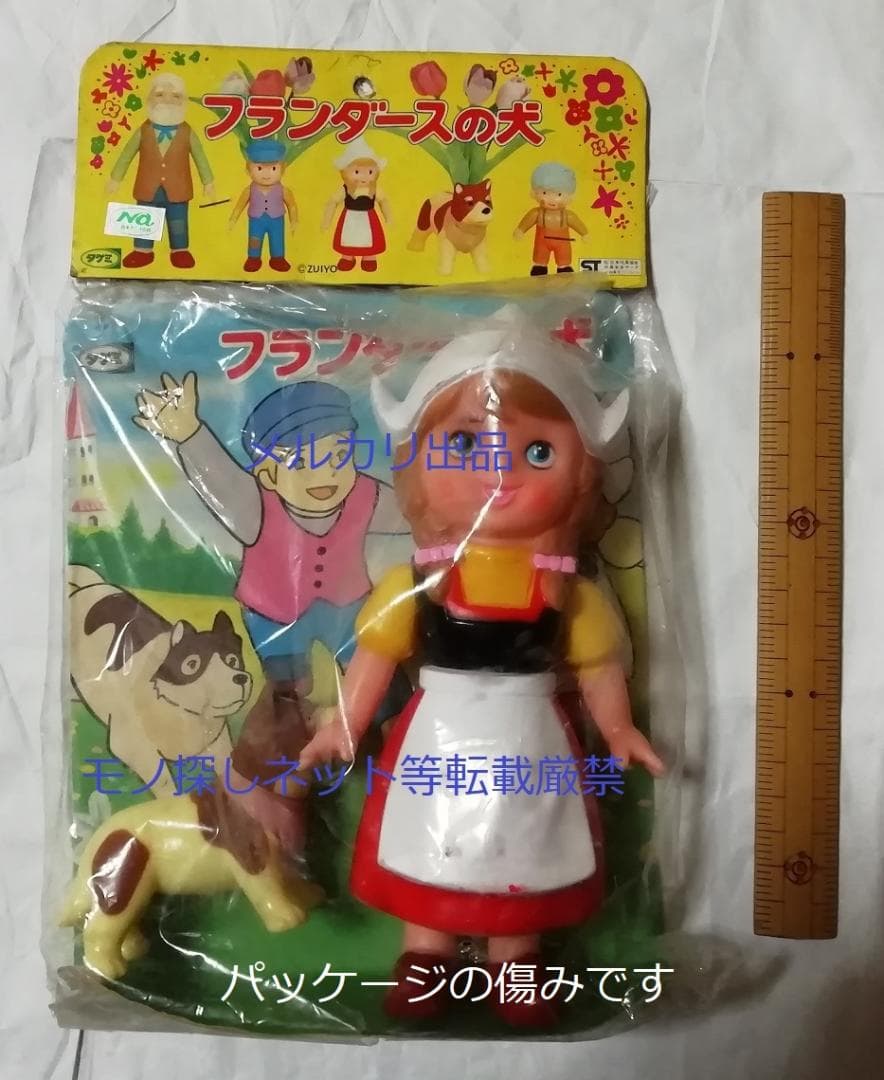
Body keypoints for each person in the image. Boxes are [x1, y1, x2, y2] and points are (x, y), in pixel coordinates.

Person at [300, 317, 665, 1027]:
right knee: (430, 840)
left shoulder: (567, 590)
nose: (500, 472)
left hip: (531, 735)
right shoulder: (419, 583)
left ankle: (517, 963)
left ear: (580, 473)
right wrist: (342, 725)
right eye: (465, 444)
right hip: (438, 731)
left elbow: (598, 664)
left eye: (537, 450)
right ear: (419, 466)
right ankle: (425, 957)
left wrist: (619, 729)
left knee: (525, 846)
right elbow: (375, 656)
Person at [133, 373, 408, 853]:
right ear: (268, 474)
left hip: (348, 604)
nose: (323, 474)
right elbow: (217, 477)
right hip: (276, 612)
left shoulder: (367, 496)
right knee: (287, 692)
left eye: (337, 456)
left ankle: (399, 756)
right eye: (300, 462)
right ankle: (274, 790)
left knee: (383, 686)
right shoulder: (252, 507)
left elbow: (418, 513)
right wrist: (187, 433)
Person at [106, 73, 215, 269]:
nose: (167, 100)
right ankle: (142, 251)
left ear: (184, 102)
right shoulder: (143, 130)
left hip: (178, 188)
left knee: (178, 221)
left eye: (176, 96)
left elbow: (201, 158)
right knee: (144, 220)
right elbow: (126, 155)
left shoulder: (187, 132)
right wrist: (116, 178)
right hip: (148, 187)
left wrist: (208, 181)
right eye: (159, 94)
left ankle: (180, 250)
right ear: (148, 99)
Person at [321, 137, 392, 272]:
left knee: (370, 238)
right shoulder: (345, 189)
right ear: (344, 173)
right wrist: (326, 221)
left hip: (369, 218)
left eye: (370, 172)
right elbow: (332, 202)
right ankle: (348, 256)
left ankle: (369, 257)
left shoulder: (374, 190)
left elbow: (384, 201)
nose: (364, 177)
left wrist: (389, 217)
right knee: (348, 238)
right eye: (357, 172)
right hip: (349, 219)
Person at [229, 139, 298, 273]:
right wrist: (233, 219)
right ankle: (253, 258)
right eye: (259, 168)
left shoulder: (284, 190)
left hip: (276, 220)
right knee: (255, 239)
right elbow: (239, 205)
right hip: (256, 220)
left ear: (282, 169)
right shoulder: (249, 190)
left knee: (277, 239)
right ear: (248, 170)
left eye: (273, 168)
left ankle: (277, 258)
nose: (266, 174)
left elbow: (292, 206)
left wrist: (294, 220)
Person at [513, 161, 588, 275]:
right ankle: (540, 270)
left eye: (559, 194)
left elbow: (577, 223)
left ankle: (563, 270)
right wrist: (521, 230)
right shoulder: (537, 214)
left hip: (563, 244)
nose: (551, 199)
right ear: (535, 193)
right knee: (540, 263)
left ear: (569, 196)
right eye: (544, 193)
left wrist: (584, 234)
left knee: (564, 263)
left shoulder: (567, 216)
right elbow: (528, 220)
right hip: (542, 243)